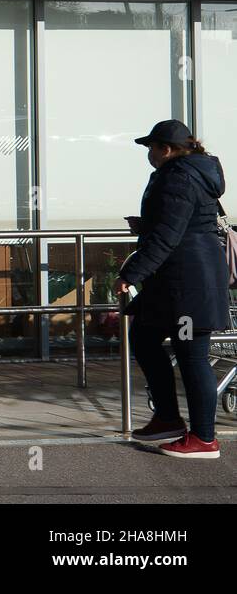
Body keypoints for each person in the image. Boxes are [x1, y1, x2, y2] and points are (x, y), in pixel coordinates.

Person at [117, 119, 229, 459]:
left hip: (188, 281)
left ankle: (204, 439)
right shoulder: (191, 172)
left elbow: (170, 235)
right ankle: (167, 418)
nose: (149, 154)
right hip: (178, 279)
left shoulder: (179, 176)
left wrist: (131, 273)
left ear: (166, 149)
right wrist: (147, 225)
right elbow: (177, 224)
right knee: (143, 336)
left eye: (151, 147)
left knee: (192, 355)